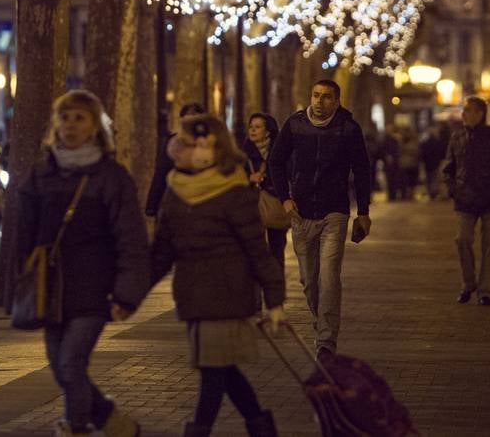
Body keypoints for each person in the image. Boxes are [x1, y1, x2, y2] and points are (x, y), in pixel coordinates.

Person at [16, 90, 149, 437]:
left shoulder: (111, 177)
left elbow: (131, 239)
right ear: (55, 125)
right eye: (65, 117)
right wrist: (22, 281)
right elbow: (23, 234)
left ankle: (75, 429)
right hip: (51, 288)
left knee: (72, 364)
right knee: (60, 368)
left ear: (94, 127)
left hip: (94, 289)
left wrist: (126, 295)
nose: (70, 125)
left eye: (79, 118)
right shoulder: (41, 173)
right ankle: (112, 420)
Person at [151, 112, 285, 437]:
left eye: (204, 144)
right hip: (193, 296)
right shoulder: (176, 190)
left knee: (213, 374)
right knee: (224, 371)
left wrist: (275, 301)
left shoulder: (234, 190)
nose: (197, 151)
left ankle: (199, 431)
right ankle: (261, 426)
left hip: (228, 294)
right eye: (190, 144)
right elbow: (161, 253)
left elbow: (258, 249)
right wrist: (126, 295)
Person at [268, 79, 373, 360]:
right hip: (300, 213)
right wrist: (285, 198)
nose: (319, 101)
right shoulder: (295, 125)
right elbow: (275, 162)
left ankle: (326, 340)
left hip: (334, 212)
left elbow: (362, 170)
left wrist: (363, 211)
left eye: (326, 97)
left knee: (328, 278)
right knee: (308, 280)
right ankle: (321, 323)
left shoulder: (348, 129)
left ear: (336, 101)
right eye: (315, 95)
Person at [442, 96, 490, 306]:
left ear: (480, 114)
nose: (464, 114)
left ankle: (485, 290)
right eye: (464, 110)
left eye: (468, 110)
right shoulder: (457, 136)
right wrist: (453, 189)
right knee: (462, 239)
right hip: (465, 198)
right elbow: (448, 167)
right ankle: (468, 283)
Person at [241, 111, 288, 271]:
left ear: (268, 131)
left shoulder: (281, 151)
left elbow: (289, 174)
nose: (252, 130)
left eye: (258, 127)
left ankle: (276, 287)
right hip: (252, 205)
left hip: (275, 202)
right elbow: (233, 178)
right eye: (251, 127)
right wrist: (249, 178)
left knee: (277, 247)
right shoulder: (243, 153)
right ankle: (255, 291)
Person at [145, 101, 206, 219]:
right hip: (176, 201)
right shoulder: (172, 143)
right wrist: (152, 205)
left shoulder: (208, 144)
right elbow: (161, 172)